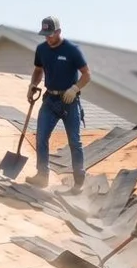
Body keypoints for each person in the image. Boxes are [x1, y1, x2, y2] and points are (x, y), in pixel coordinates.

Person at [26, 17, 91, 190]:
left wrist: (75, 88)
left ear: (59, 32)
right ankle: (42, 176)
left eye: (50, 34)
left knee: (74, 142)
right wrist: (33, 85)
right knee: (41, 137)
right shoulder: (41, 49)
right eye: (45, 34)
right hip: (50, 100)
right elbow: (38, 70)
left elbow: (87, 75)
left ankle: (79, 182)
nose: (47, 38)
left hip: (70, 101)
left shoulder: (72, 50)